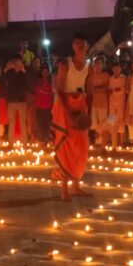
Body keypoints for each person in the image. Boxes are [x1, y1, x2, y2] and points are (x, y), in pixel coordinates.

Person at [52, 34, 91, 200]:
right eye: (77, 43)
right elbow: (59, 89)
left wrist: (88, 112)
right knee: (66, 146)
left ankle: (76, 186)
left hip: (81, 104)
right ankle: (64, 190)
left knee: (81, 146)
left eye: (82, 43)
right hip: (64, 106)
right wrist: (68, 112)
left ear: (87, 46)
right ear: (73, 46)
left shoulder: (89, 65)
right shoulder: (65, 64)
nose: (80, 46)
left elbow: (90, 90)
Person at [88, 58, 110, 146]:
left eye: (99, 64)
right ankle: (97, 142)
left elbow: (106, 88)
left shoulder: (105, 75)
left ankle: (103, 145)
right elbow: (89, 89)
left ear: (102, 65)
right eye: (95, 64)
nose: (97, 65)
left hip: (103, 104)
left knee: (104, 125)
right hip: (93, 104)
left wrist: (96, 88)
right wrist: (100, 88)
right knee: (94, 125)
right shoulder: (91, 76)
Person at [106, 60, 127, 149]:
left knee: (120, 120)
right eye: (114, 69)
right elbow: (109, 90)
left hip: (121, 103)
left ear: (120, 69)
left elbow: (124, 89)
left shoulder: (124, 78)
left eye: (118, 69)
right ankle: (113, 141)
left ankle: (121, 141)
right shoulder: (110, 79)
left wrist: (115, 90)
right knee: (112, 121)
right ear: (112, 69)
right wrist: (112, 91)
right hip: (112, 102)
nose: (116, 70)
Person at [33, 65, 54, 143]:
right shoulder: (39, 81)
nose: (45, 73)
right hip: (39, 106)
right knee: (40, 124)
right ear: (41, 73)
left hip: (48, 106)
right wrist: (44, 89)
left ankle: (48, 138)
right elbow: (37, 90)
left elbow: (51, 91)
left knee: (48, 123)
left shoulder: (51, 82)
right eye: (43, 71)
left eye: (46, 71)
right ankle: (42, 139)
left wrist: (43, 90)